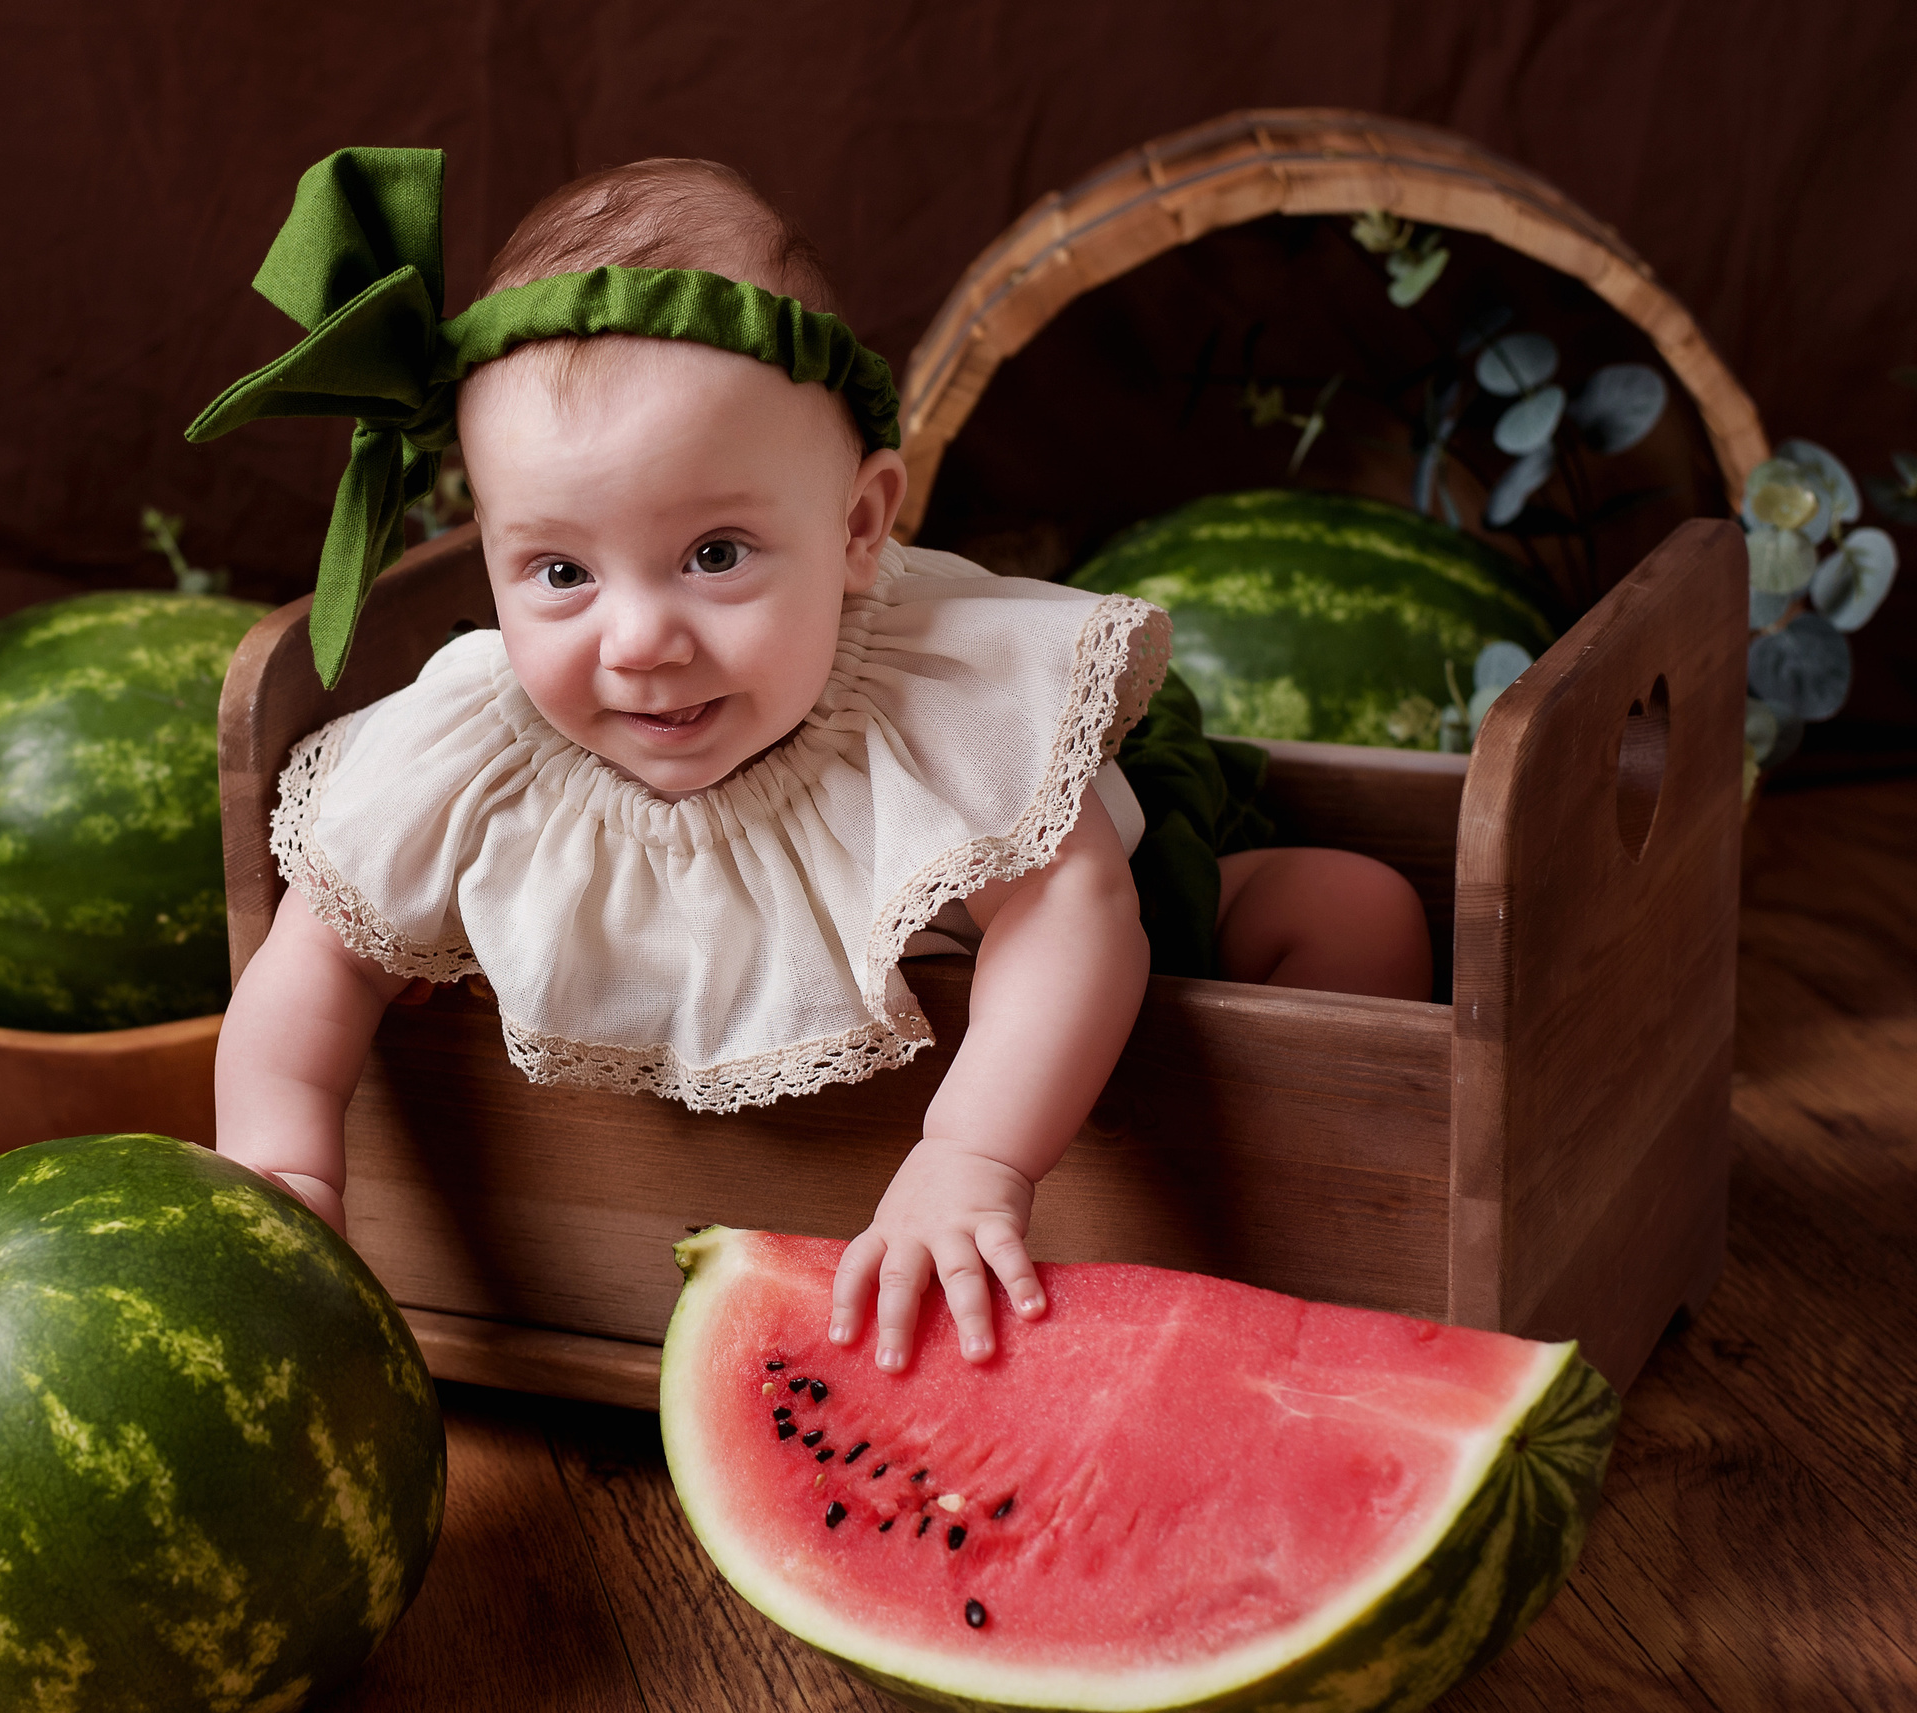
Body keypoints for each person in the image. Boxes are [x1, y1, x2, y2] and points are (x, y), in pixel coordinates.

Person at [192, 149, 1431, 1374]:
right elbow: (313, 962)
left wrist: (972, 1160)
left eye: (715, 555)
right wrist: (281, 1167)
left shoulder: (932, 708)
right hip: (622, 1256)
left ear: (856, 526)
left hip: (1148, 951)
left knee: (1353, 913)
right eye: (560, 572)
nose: (639, 643)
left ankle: (1332, 1269)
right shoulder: (473, 748)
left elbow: (1077, 909)